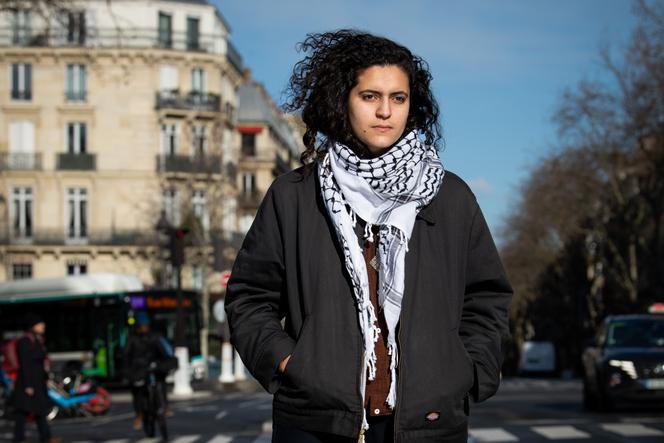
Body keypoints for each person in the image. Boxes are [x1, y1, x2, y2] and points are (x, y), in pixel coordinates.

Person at [225, 30, 512, 443]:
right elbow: (249, 297)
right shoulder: (295, 196)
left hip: (428, 423)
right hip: (316, 421)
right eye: (369, 96)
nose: (385, 111)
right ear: (342, 100)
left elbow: (486, 297)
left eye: (398, 98)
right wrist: (291, 363)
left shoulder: (450, 197)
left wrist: (464, 370)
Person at [12, 313, 60, 443]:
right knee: (22, 412)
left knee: (40, 411)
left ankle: (46, 437)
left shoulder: (37, 339)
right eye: (40, 324)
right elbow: (25, 364)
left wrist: (45, 378)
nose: (43, 326)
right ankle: (19, 439)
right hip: (27, 383)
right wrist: (28, 385)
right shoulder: (25, 341)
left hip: (38, 382)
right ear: (33, 326)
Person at [123, 311, 172, 430]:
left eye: (146, 325)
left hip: (154, 368)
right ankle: (139, 415)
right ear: (138, 326)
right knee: (137, 392)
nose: (144, 328)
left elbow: (165, 352)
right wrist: (128, 371)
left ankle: (164, 406)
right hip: (138, 371)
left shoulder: (155, 337)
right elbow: (126, 356)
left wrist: (167, 363)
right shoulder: (132, 339)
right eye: (142, 326)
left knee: (161, 383)